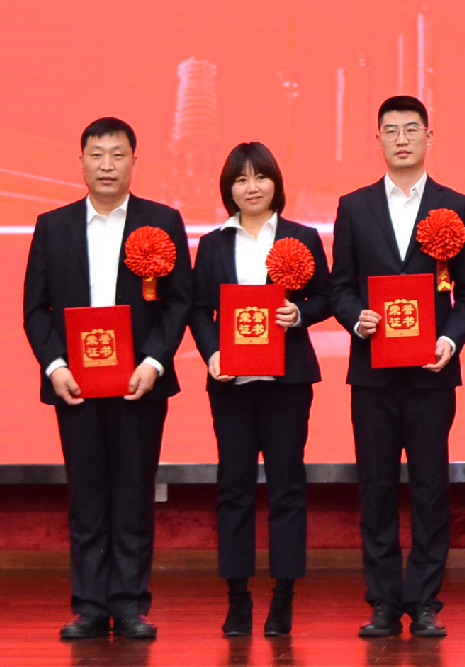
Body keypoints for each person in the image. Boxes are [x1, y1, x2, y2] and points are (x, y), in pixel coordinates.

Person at [23, 117, 192, 639]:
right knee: (88, 494)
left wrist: (154, 362)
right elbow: (35, 309)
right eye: (96, 155)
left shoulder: (161, 221)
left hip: (140, 382)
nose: (107, 166)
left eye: (118, 155)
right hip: (76, 386)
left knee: (135, 491)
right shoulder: (52, 225)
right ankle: (91, 606)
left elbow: (178, 302)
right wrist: (55, 366)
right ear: (80, 162)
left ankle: (131, 604)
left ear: (134, 162)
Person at [330, 95, 465, 638]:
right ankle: (382, 601)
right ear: (377, 139)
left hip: (430, 373)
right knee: (375, 487)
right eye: (391, 130)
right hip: (372, 375)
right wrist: (356, 318)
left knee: (430, 487)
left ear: (428, 137)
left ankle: (423, 601)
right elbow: (340, 286)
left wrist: (450, 339)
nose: (401, 139)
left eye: (411, 129)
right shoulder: (354, 206)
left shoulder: (454, 206)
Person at [188, 142, 331, 637]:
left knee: (287, 485)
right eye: (241, 179)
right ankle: (237, 598)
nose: (252, 188)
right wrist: (212, 353)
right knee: (234, 487)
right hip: (231, 384)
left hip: (286, 383)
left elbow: (325, 297)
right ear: (229, 189)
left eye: (261, 177)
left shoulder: (301, 237)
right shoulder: (213, 244)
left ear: (276, 184)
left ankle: (284, 595)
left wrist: (299, 313)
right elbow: (199, 310)